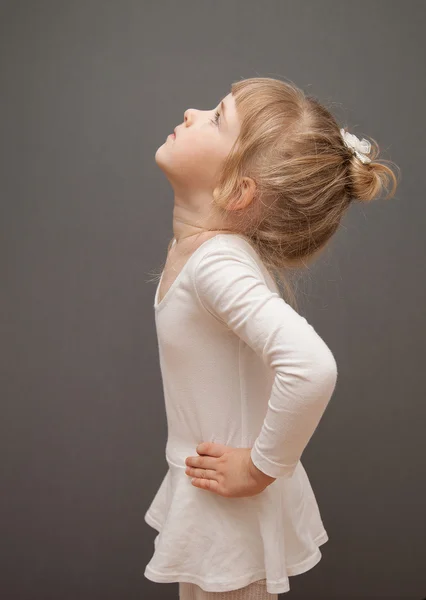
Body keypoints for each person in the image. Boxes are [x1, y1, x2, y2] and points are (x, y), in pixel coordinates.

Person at [144, 77, 400, 599]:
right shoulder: (200, 252)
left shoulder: (216, 263)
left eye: (216, 117)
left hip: (229, 519)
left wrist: (260, 468)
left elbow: (311, 366)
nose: (192, 111)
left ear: (237, 190)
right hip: (210, 502)